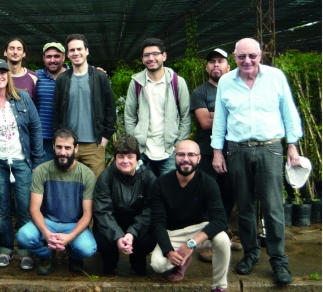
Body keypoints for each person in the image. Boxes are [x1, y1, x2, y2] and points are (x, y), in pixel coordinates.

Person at [211, 38, 303, 285]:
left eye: (252, 56)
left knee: (273, 207)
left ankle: (278, 260)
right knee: (244, 206)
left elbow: (289, 112)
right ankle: (251, 253)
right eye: (242, 57)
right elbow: (220, 119)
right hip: (237, 149)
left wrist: (292, 145)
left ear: (260, 55)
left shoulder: (275, 77)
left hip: (270, 148)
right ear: (234, 57)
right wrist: (217, 151)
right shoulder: (226, 83)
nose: (247, 61)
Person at [0, 59, 45, 270]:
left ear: (8, 76)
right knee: (1, 209)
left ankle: (25, 251)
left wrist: (38, 161)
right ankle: (6, 249)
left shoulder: (22, 97)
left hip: (22, 161)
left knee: (25, 208)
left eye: (2, 73)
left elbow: (35, 128)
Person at [149, 140, 230, 292]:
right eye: (181, 154)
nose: (186, 159)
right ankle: (182, 260)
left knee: (222, 239)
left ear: (199, 158)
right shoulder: (161, 184)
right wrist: (168, 251)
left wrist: (191, 244)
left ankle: (219, 286)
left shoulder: (208, 183)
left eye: (191, 155)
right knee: (158, 265)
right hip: (173, 233)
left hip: (198, 232)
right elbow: (158, 222)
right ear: (175, 156)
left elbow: (220, 220)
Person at [16, 128, 97, 275]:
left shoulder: (87, 174)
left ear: (76, 148)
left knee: (88, 248)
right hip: (48, 222)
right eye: (59, 147)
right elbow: (34, 209)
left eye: (67, 148)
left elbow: (87, 214)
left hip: (73, 223)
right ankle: (46, 255)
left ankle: (73, 256)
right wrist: (47, 234)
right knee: (23, 236)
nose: (63, 152)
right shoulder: (41, 170)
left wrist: (70, 237)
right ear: (53, 146)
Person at [190, 48, 242, 263]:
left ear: (229, 66)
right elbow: (205, 122)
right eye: (211, 62)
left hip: (233, 151)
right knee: (206, 196)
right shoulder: (200, 92)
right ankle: (205, 242)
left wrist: (215, 114)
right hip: (207, 152)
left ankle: (223, 234)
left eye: (220, 61)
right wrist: (231, 114)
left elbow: (245, 116)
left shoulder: (237, 89)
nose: (216, 65)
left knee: (228, 195)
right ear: (207, 67)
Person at [124, 37, 190, 177]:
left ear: (164, 56)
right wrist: (134, 144)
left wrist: (178, 145)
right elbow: (129, 116)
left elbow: (186, 116)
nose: (151, 58)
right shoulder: (136, 83)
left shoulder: (177, 82)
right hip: (143, 151)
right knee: (144, 192)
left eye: (155, 54)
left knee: (167, 192)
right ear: (142, 59)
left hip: (169, 150)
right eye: (146, 55)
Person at [52, 34, 116, 178]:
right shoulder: (62, 80)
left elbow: (110, 109)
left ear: (87, 51)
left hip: (94, 145)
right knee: (68, 187)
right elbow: (56, 112)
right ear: (67, 54)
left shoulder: (99, 77)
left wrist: (104, 139)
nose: (76, 53)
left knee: (95, 189)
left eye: (79, 49)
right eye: (72, 50)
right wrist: (59, 139)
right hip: (68, 145)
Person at [92, 134, 157, 275]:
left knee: (149, 237)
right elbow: (102, 210)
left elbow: (151, 209)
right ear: (115, 157)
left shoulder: (148, 177)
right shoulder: (106, 177)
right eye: (121, 156)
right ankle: (111, 262)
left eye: (130, 157)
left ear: (137, 158)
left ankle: (137, 261)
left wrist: (132, 232)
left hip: (137, 224)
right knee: (102, 240)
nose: (125, 161)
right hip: (113, 222)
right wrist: (117, 236)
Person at [35, 42, 69, 161]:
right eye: (49, 57)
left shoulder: (73, 76)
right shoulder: (35, 77)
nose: (52, 60)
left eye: (56, 56)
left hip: (67, 139)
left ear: (63, 57)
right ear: (43, 58)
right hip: (42, 140)